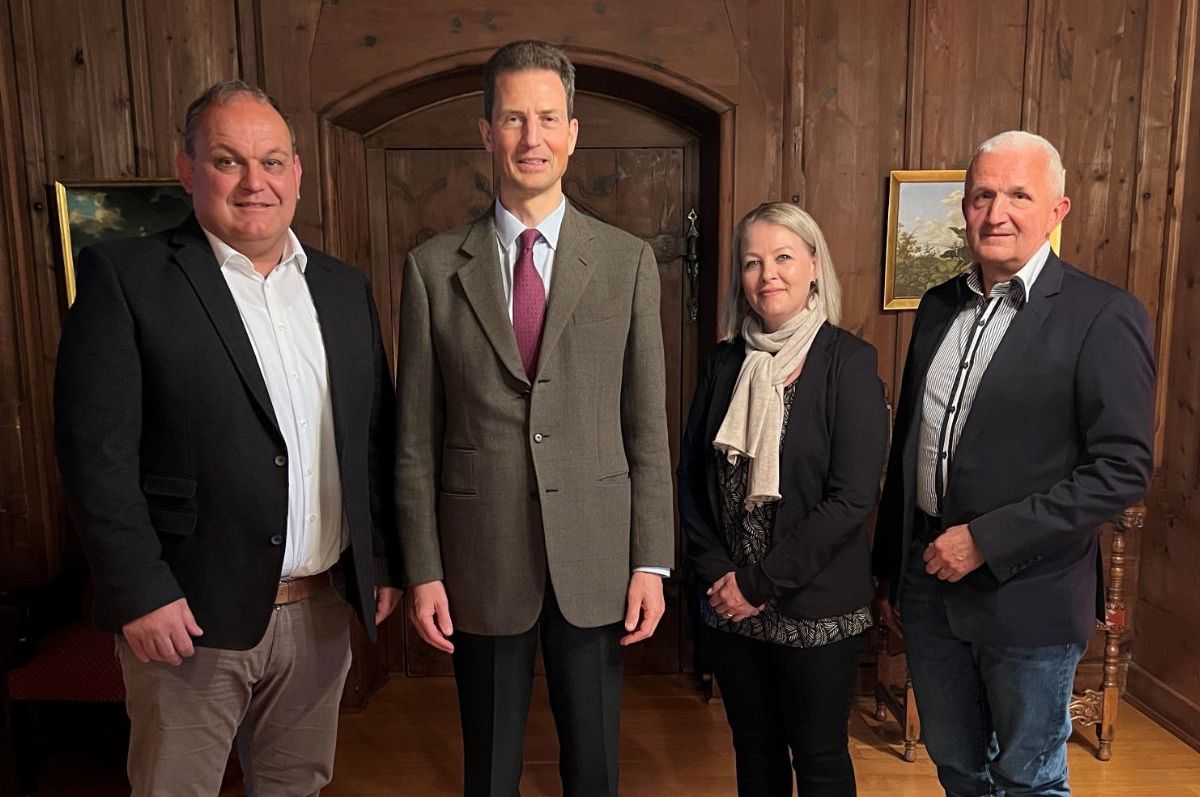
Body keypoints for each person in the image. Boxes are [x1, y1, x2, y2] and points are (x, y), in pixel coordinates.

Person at [53, 80, 401, 796]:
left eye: (272, 162)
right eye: (228, 161)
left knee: (296, 785)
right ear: (188, 170)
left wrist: (383, 560)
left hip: (320, 607)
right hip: (186, 615)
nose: (255, 182)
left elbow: (372, 439)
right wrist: (138, 591)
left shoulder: (342, 289)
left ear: (297, 175)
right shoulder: (128, 279)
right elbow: (96, 454)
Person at [395, 40, 674, 797]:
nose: (531, 138)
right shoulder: (430, 269)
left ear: (573, 131)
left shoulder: (626, 263)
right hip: (480, 558)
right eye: (513, 118)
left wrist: (652, 558)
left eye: (547, 118)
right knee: (487, 771)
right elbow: (415, 441)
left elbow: (647, 425)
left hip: (597, 557)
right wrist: (421, 567)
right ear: (485, 131)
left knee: (594, 768)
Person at [871, 130, 1155, 796]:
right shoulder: (938, 306)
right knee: (957, 766)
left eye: (1018, 194)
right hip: (928, 583)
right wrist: (891, 568)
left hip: (1030, 591)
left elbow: (1123, 468)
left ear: (1058, 209)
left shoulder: (1102, 315)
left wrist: (985, 540)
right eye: (982, 195)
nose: (996, 211)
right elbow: (911, 441)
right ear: (965, 208)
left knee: (1027, 777)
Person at [678, 201, 889, 796]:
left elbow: (850, 500)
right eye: (752, 262)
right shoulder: (724, 363)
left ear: (814, 266)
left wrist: (758, 584)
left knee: (820, 760)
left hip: (816, 610)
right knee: (754, 753)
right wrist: (720, 574)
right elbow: (691, 477)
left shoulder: (849, 362)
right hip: (731, 609)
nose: (767, 274)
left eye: (783, 257)